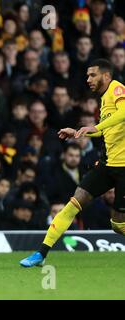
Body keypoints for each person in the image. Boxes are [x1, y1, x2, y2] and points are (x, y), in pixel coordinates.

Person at [20, 59, 125, 267]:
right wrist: (78, 132)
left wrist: (95, 127)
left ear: (106, 75)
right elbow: (106, 129)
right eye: (87, 75)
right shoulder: (103, 100)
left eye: (92, 75)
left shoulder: (117, 88)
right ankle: (40, 254)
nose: (88, 79)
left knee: (118, 224)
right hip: (107, 164)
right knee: (73, 204)